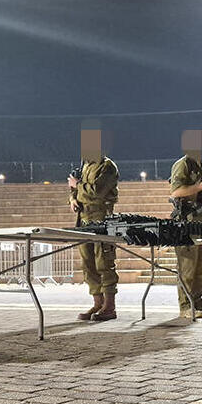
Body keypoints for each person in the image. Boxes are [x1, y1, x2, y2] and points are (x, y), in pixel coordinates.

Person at [69, 129, 120, 322]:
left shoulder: (107, 166)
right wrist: (72, 198)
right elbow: (76, 189)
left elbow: (97, 191)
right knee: (88, 263)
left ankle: (109, 307)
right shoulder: (85, 166)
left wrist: (77, 186)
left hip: (101, 220)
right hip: (84, 220)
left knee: (104, 262)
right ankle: (98, 303)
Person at [170, 152, 202, 319]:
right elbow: (176, 192)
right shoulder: (183, 164)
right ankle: (185, 306)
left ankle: (197, 303)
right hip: (186, 222)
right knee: (188, 266)